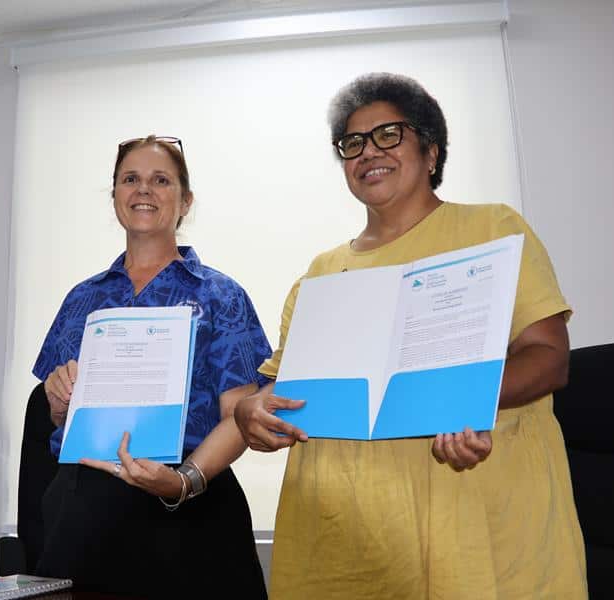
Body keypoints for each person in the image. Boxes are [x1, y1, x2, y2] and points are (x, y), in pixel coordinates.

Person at [234, 74, 588, 599]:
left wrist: (457, 403)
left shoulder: (492, 229)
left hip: (471, 513)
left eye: (388, 134)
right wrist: (252, 414)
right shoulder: (321, 273)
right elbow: (286, 394)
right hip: (345, 533)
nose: (368, 152)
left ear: (431, 150)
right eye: (352, 143)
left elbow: (548, 357)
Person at [33, 135, 270, 598]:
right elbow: (59, 417)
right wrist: (58, 400)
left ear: (186, 201)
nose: (144, 190)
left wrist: (182, 483)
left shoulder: (220, 296)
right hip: (84, 511)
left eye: (161, 180)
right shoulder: (82, 298)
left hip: (189, 507)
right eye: (130, 179)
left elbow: (240, 416)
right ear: (115, 196)